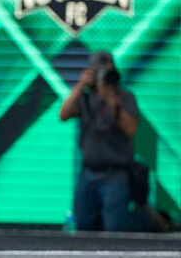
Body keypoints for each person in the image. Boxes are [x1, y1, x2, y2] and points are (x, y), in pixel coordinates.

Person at [59, 50, 148, 231]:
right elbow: (63, 114)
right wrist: (80, 85)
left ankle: (149, 220)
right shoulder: (85, 97)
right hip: (89, 172)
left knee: (115, 227)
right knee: (84, 224)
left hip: (115, 174)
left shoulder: (125, 97)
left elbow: (131, 129)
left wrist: (111, 100)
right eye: (98, 71)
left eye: (106, 71)